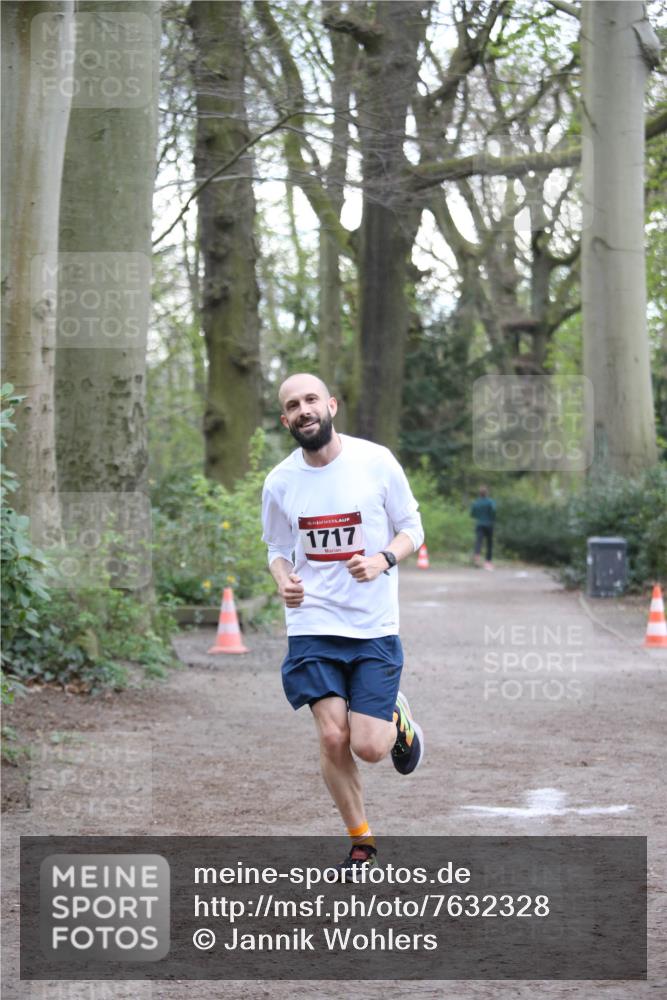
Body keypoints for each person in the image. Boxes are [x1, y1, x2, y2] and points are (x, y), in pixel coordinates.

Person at [261, 372, 425, 874]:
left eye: (311, 399)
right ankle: (362, 840)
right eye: (293, 404)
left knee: (369, 747)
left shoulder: (375, 462)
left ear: (330, 405)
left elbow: (412, 529)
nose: (304, 409)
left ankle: (395, 718)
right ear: (286, 419)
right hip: (312, 623)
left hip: (372, 624)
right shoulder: (280, 482)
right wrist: (283, 578)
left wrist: (381, 560)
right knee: (332, 737)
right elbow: (276, 549)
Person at [470, 485, 496, 570]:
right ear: (487, 493)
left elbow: (472, 514)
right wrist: (492, 518)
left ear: (479, 494)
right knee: (489, 544)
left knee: (478, 542)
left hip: (479, 524)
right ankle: (488, 562)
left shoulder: (476, 502)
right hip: (489, 524)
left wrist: (479, 517)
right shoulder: (490, 502)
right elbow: (493, 511)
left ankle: (477, 558)